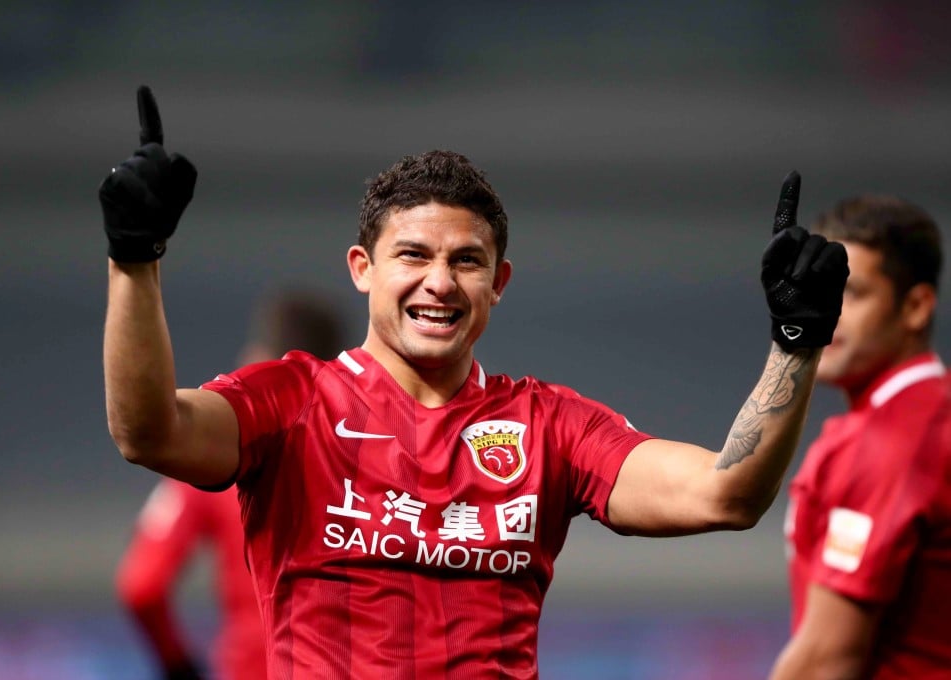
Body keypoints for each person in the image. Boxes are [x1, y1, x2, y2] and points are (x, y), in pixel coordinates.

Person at [98, 85, 848, 678]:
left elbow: (727, 492)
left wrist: (795, 341)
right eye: (413, 256)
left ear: (500, 283)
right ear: (362, 271)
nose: (439, 283)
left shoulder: (551, 425)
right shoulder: (290, 400)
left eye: (466, 261)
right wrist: (136, 258)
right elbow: (148, 431)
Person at [115, 288, 347, 680]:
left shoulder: (215, 458)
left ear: (259, 363)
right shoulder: (379, 455)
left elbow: (142, 586)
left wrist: (179, 667)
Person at [769, 196, 951, 679]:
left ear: (915, 307)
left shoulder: (892, 440)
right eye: (823, 290)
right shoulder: (930, 417)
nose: (829, 311)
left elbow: (826, 660)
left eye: (854, 293)